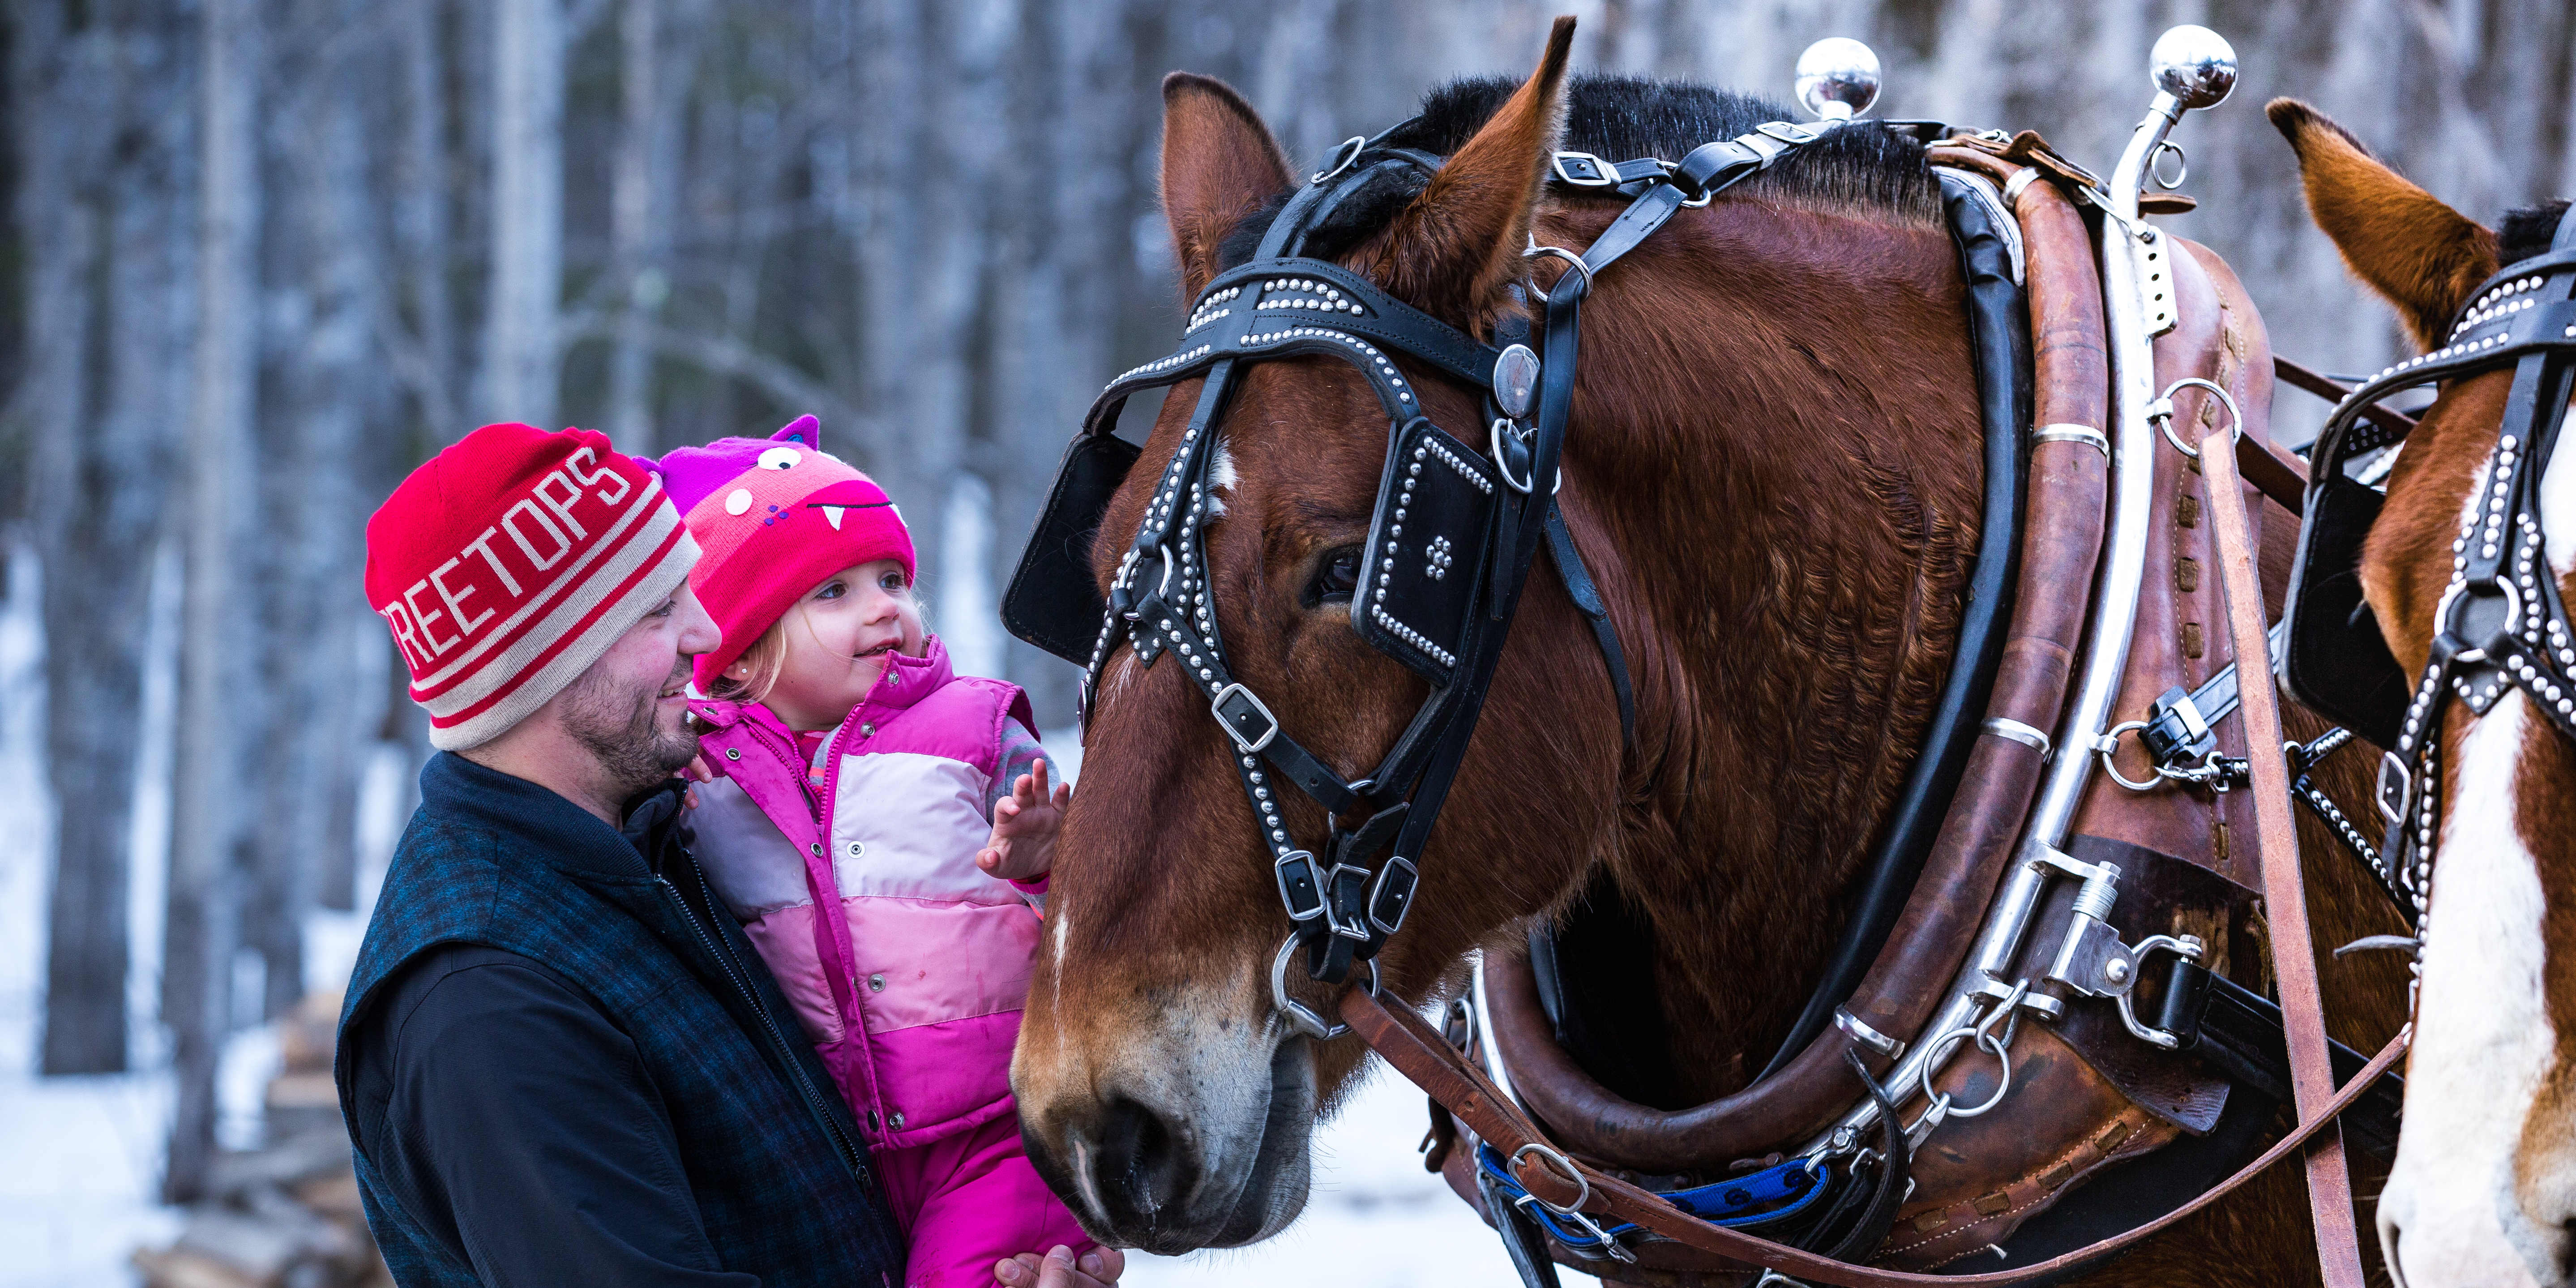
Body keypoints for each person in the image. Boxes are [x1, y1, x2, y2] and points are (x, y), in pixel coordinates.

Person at [338, 421, 1122, 1288]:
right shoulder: (489, 1001)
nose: (707, 631)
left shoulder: (656, 841)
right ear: (547, 661)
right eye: (659, 607)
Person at [643, 416, 1093, 1288]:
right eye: (834, 591)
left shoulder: (971, 730)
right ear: (738, 652)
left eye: (893, 578)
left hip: (999, 1128)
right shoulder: (704, 774)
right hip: (832, 1144)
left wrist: (1050, 858)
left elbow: (1108, 915)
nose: (888, 604)